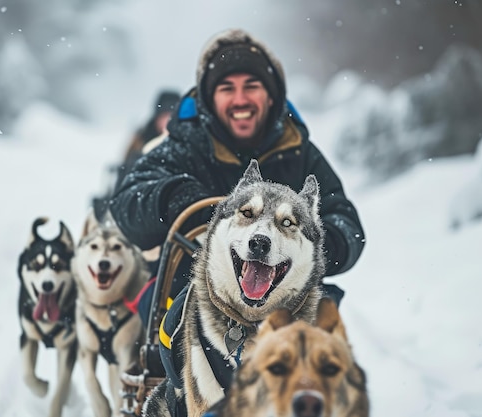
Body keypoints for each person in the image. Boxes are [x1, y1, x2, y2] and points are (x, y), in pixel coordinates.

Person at [110, 28, 365, 325]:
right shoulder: (184, 145)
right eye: (227, 88)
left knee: (323, 329)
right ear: (209, 99)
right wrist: (181, 201)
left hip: (288, 304)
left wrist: (309, 244)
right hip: (192, 290)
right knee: (175, 319)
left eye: (252, 86)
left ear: (271, 97)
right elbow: (128, 202)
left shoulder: (298, 151)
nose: (240, 100)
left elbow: (346, 224)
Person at [114, 89, 181, 190]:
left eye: (171, 116)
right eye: (164, 117)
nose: (167, 122)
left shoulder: (188, 141)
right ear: (156, 118)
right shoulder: (141, 141)